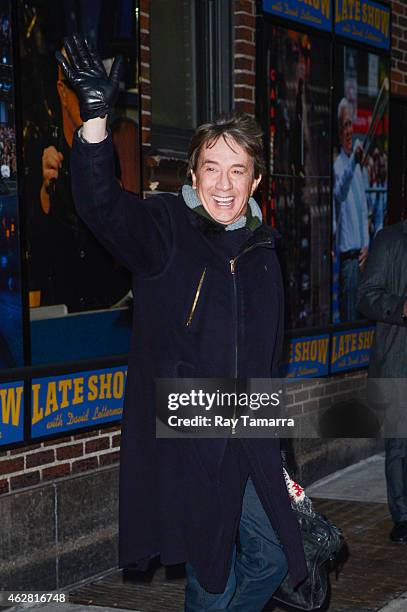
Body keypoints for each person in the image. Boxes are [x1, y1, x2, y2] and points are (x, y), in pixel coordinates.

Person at [57, 34, 307, 611]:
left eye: (237, 171)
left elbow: (268, 363)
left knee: (274, 558)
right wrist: (96, 122)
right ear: (192, 177)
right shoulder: (166, 229)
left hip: (249, 434)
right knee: (211, 578)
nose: (223, 185)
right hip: (192, 441)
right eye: (211, 169)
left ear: (256, 182)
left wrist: (282, 457)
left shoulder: (266, 252)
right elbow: (102, 208)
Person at [38, 60, 130, 311]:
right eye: (79, 90)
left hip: (101, 295)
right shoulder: (45, 149)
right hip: (60, 297)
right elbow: (34, 235)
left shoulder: (104, 149)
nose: (87, 98)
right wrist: (46, 188)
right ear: (62, 92)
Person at [357, 221, 407, 543]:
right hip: (399, 359)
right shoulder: (390, 239)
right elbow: (366, 297)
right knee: (400, 446)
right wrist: (401, 306)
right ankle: (403, 517)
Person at [333, 97, 369, 322]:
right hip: (348, 262)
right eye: (345, 125)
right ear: (338, 130)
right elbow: (339, 191)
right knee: (349, 323)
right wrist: (354, 163)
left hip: (363, 258)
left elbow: (364, 209)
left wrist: (366, 243)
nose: (349, 131)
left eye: (350, 125)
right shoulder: (339, 167)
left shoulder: (357, 168)